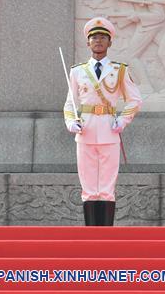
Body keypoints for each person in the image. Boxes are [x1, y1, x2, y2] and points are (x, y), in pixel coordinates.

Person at [63, 18, 142, 226]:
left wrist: (122, 121)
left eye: (103, 38)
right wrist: (71, 122)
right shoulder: (77, 71)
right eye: (94, 38)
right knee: (88, 186)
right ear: (88, 43)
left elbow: (135, 100)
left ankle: (106, 236)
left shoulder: (120, 70)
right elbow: (70, 103)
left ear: (110, 43)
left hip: (109, 130)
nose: (98, 41)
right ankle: (91, 235)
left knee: (107, 187)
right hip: (86, 130)